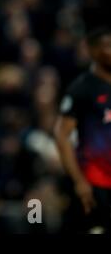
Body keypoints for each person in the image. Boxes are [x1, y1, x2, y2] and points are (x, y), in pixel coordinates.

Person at [54, 27, 111, 234]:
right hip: (95, 181)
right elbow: (61, 134)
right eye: (107, 46)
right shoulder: (82, 89)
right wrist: (79, 180)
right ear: (93, 52)